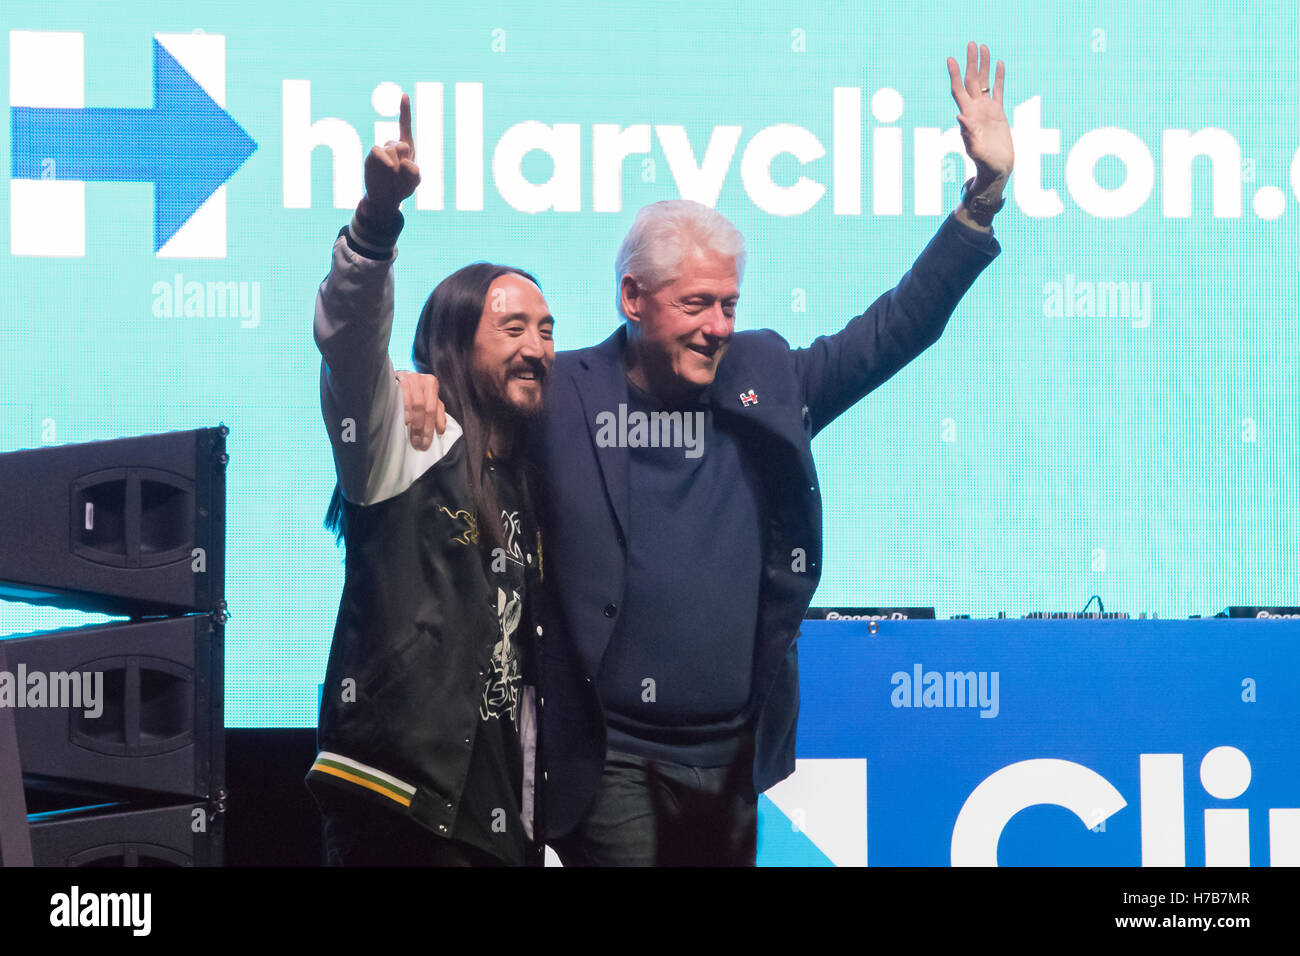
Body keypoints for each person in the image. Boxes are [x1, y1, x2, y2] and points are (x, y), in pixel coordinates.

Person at [400, 43, 1015, 865]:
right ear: (632, 299)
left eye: (729, 303)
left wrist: (982, 199)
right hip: (609, 759)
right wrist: (421, 386)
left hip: (730, 760)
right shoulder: (564, 392)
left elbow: (893, 331)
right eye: (696, 303)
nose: (717, 325)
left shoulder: (764, 371)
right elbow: (477, 393)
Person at [306, 94, 554, 866]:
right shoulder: (410, 439)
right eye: (513, 327)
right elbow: (349, 347)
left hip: (496, 824)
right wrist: (376, 221)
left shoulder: (542, 477)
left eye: (548, 330)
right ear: (453, 340)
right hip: (396, 806)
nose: (538, 348)